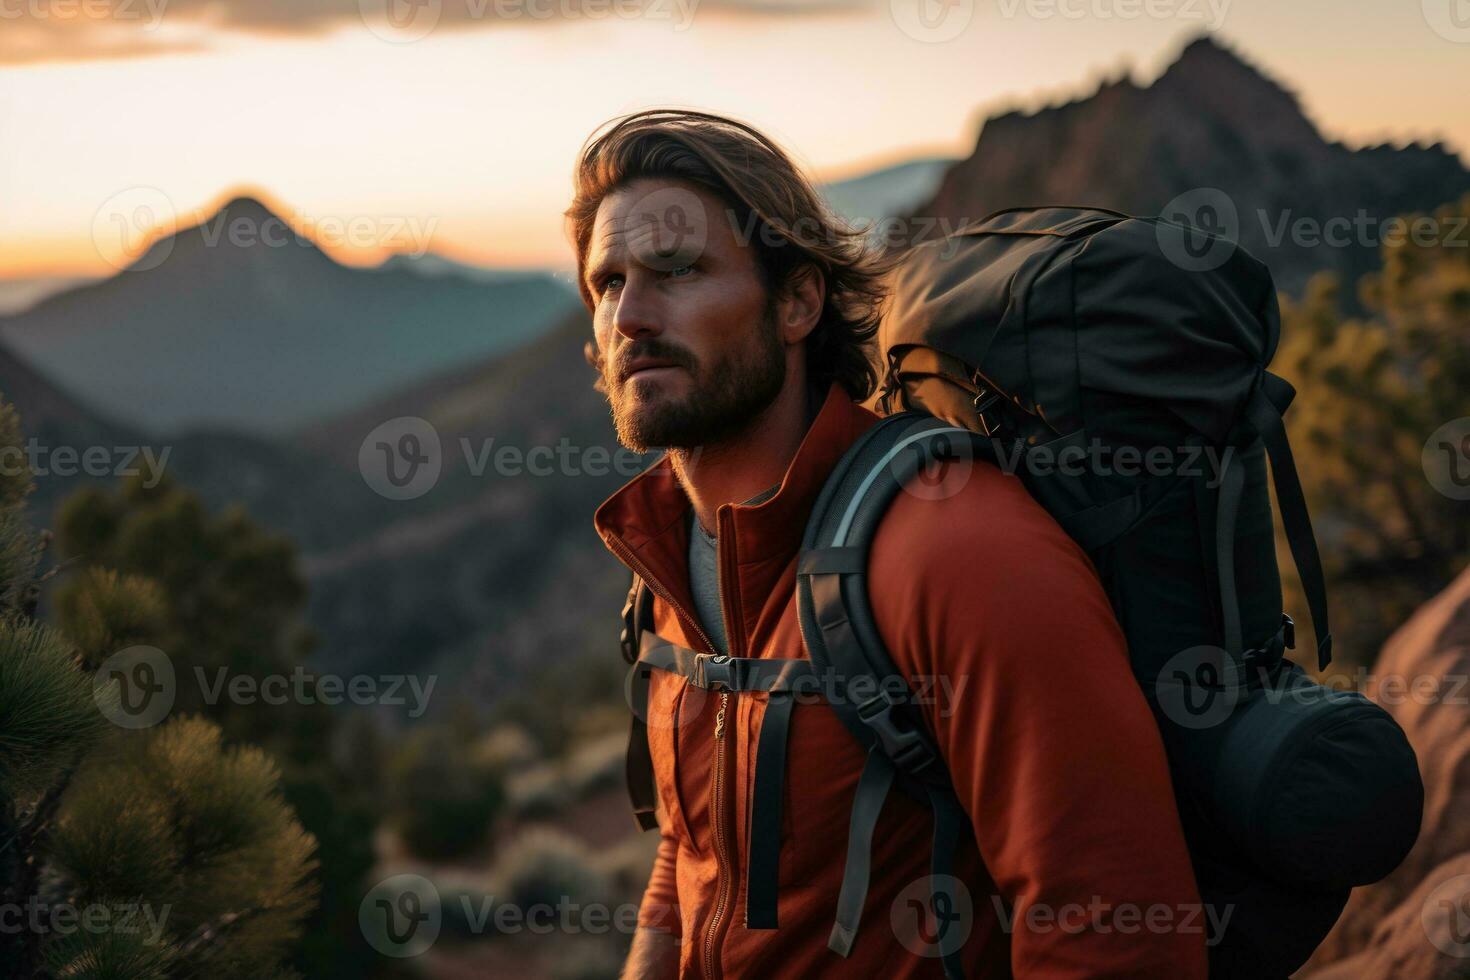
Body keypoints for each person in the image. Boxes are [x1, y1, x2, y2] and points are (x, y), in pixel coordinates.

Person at [567, 108, 1209, 979]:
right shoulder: (671, 562)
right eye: (608, 283)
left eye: (677, 271)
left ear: (797, 302)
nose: (630, 315)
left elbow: (1114, 931)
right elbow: (690, 850)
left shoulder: (955, 549)